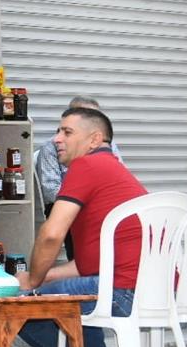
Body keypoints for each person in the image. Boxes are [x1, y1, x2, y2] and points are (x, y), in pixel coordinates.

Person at [16, 106, 146, 347]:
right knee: (59, 293)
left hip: (120, 289)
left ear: (94, 139)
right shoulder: (112, 170)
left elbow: (50, 235)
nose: (57, 139)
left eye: (67, 132)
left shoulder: (86, 166)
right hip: (149, 287)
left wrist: (31, 284)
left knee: (23, 307)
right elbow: (88, 264)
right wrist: (42, 277)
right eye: (58, 131)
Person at [35, 95, 123, 260]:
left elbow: (117, 180)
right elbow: (50, 191)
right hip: (68, 207)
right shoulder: (52, 148)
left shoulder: (107, 146)